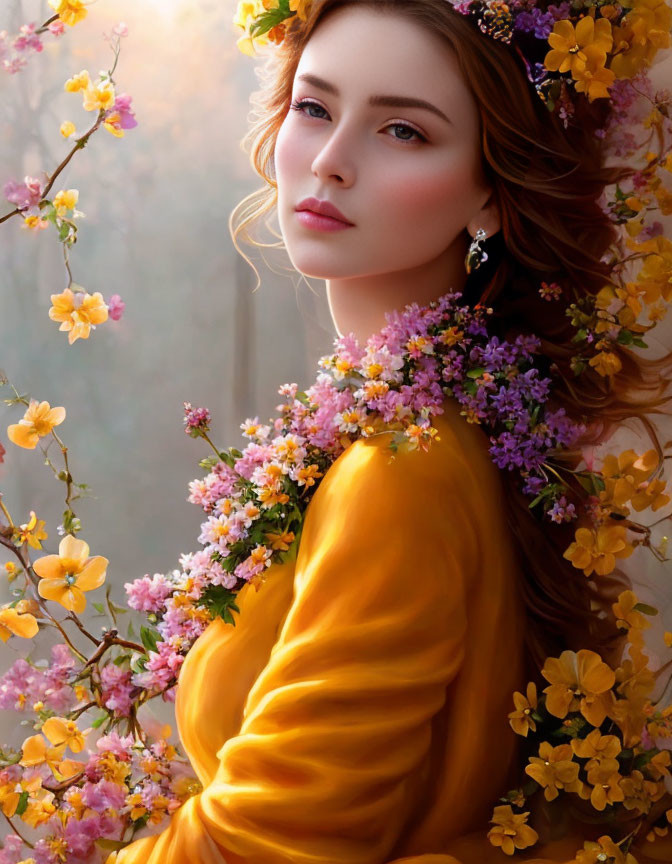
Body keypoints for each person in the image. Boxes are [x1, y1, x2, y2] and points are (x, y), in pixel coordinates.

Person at [108, 1, 672, 862]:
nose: (331, 163)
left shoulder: (399, 469)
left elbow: (271, 843)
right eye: (314, 107)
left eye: (403, 131)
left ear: (490, 187)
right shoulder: (420, 426)